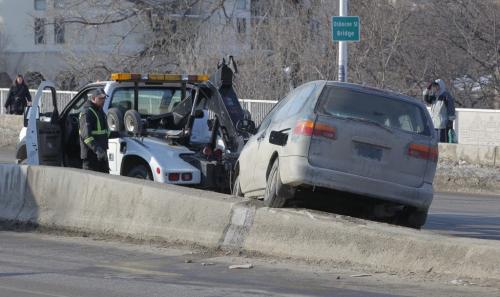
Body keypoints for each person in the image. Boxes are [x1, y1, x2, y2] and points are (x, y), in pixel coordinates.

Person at [79, 88, 110, 173]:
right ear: (93, 98)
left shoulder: (100, 110)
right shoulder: (86, 112)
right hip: (90, 157)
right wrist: (98, 150)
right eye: (100, 98)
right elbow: (86, 137)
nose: (103, 101)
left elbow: (105, 132)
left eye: (104, 98)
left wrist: (122, 133)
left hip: (101, 155)